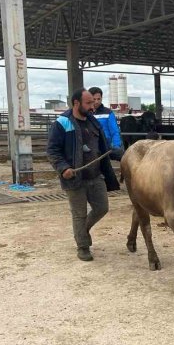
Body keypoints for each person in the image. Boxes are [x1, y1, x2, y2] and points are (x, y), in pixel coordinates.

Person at [47, 88, 120, 261]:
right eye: (88, 103)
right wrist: (63, 168)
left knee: (102, 208)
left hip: (95, 175)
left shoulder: (92, 121)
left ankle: (82, 230)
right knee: (79, 214)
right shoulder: (62, 123)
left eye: (93, 102)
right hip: (75, 177)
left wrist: (122, 155)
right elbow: (52, 150)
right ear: (76, 103)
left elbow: (104, 146)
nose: (93, 106)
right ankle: (83, 246)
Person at [88, 86, 123, 158]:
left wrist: (116, 147)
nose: (97, 101)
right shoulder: (85, 113)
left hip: (105, 148)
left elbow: (115, 131)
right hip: (90, 149)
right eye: (94, 99)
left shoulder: (108, 113)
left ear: (101, 98)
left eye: (99, 99)